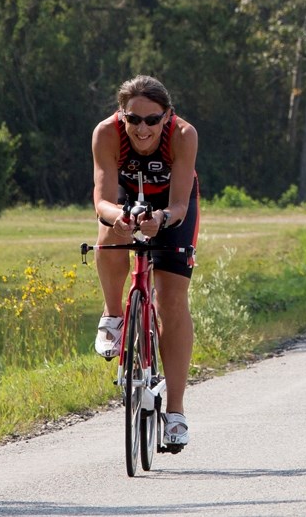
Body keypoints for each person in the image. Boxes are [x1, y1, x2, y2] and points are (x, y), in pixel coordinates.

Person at [91, 74, 200, 445]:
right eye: (133, 119)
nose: (142, 129)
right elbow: (102, 198)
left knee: (170, 300)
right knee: (108, 236)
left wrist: (162, 220)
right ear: (121, 115)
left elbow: (181, 205)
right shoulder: (106, 133)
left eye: (152, 120)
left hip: (171, 208)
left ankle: (176, 412)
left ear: (167, 116)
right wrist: (117, 216)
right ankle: (113, 315)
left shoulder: (183, 135)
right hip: (125, 199)